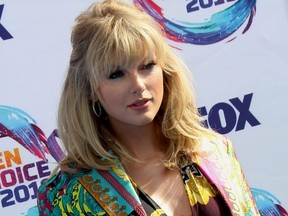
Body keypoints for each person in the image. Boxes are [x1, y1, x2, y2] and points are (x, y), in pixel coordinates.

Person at [37, 0, 287, 215]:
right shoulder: (67, 193)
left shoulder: (215, 150)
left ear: (165, 70)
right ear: (90, 90)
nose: (138, 85)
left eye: (146, 66)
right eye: (116, 74)